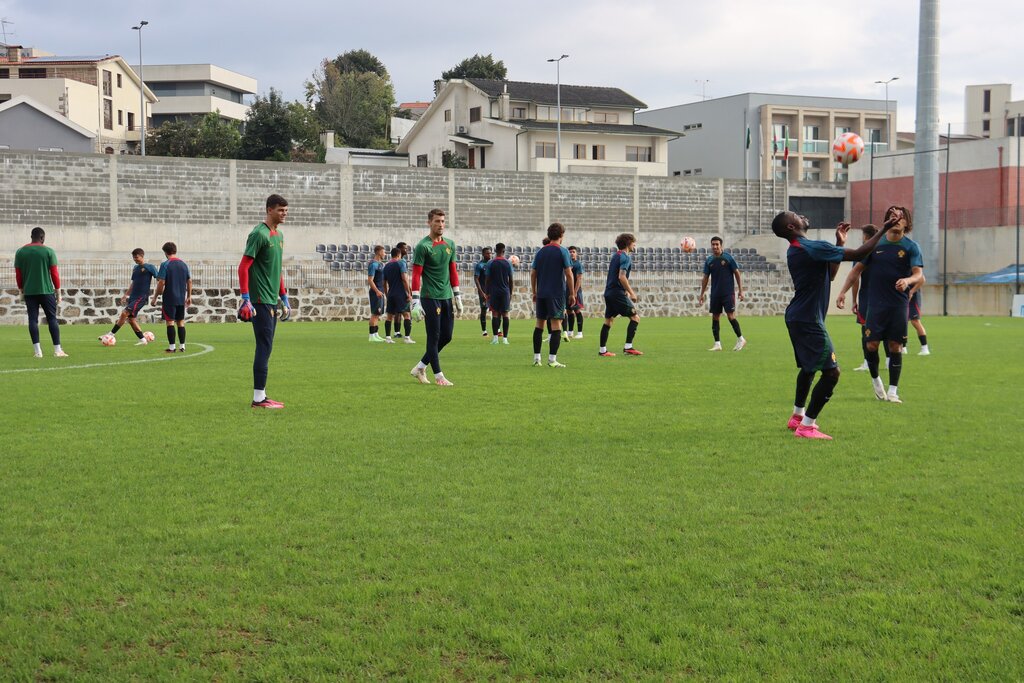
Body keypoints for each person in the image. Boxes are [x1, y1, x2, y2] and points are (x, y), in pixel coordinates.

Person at [772, 211, 886, 440]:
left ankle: (797, 416)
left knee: (808, 368)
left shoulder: (801, 248)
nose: (803, 215)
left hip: (799, 316)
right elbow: (860, 253)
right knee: (832, 372)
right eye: (796, 215)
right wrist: (883, 229)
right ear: (792, 227)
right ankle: (807, 426)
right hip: (808, 320)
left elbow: (831, 275)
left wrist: (838, 243)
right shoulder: (810, 247)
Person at [836, 206, 924, 404]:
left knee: (895, 346)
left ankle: (893, 391)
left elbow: (918, 274)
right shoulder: (875, 245)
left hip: (898, 304)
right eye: (892, 217)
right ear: (886, 221)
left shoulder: (911, 247)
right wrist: (842, 292)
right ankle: (876, 381)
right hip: (875, 304)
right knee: (872, 344)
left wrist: (908, 281)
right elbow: (856, 271)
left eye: (900, 217)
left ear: (907, 223)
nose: (896, 220)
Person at [237, 194, 291, 409]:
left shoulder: (278, 235)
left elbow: (275, 269)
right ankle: (258, 398)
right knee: (264, 346)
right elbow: (243, 266)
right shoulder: (258, 234)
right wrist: (245, 299)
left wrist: (284, 297)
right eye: (280, 210)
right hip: (259, 300)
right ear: (269, 209)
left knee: (267, 348)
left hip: (272, 300)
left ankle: (262, 395)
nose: (284, 214)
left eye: (286, 210)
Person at [409, 208, 462, 386]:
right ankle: (439, 376)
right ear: (429, 223)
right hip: (430, 297)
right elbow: (416, 275)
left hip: (446, 296)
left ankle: (420, 366)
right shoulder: (423, 247)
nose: (441, 225)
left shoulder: (450, 245)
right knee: (434, 337)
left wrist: (457, 296)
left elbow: (452, 271)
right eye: (437, 221)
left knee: (447, 336)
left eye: (443, 221)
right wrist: (415, 302)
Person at [14, 226, 67, 358]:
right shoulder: (49, 251)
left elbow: (18, 274)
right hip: (46, 291)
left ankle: (38, 352)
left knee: (33, 320)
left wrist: (21, 289)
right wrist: (58, 292)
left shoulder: (20, 252)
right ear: (42, 238)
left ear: (31, 236)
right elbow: (54, 273)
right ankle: (57, 350)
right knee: (52, 319)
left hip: (30, 292)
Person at [531, 223, 574, 367]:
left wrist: (534, 291)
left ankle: (537, 359)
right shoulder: (563, 251)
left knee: (539, 325)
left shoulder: (541, 252)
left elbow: (533, 273)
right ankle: (552, 360)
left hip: (542, 293)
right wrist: (572, 293)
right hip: (556, 294)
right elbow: (568, 273)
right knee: (556, 326)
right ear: (561, 235)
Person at [102, 248, 158, 345]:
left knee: (124, 313)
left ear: (142, 256)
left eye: (136, 257)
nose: (135, 259)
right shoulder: (135, 268)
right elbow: (133, 283)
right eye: (133, 257)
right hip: (133, 297)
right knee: (131, 319)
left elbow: (159, 280)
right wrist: (126, 295)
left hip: (141, 297)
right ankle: (143, 340)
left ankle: (111, 334)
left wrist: (156, 295)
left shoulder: (150, 267)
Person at [698, 236, 746, 351]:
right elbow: (705, 278)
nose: (715, 246)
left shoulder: (728, 258)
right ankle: (717, 344)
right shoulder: (709, 260)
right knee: (715, 317)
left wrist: (740, 290)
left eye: (717, 244)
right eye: (713, 244)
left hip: (728, 293)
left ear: (721, 245)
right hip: (715, 293)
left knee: (730, 316)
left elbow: (737, 273)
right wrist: (701, 294)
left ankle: (741, 339)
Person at [599, 233, 643, 357]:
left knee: (608, 321)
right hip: (616, 293)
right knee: (635, 318)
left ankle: (603, 350)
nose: (635, 244)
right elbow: (621, 276)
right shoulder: (625, 257)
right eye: (633, 242)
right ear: (628, 243)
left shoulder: (615, 256)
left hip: (609, 292)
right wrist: (631, 292)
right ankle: (628, 347)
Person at [151, 241, 192, 354]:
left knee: (170, 322)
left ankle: (172, 347)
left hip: (170, 298)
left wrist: (155, 297)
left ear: (165, 252)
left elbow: (161, 283)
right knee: (181, 322)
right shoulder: (184, 264)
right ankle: (182, 346)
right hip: (181, 298)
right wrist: (189, 296)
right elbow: (189, 281)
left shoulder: (165, 264)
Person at [848, 224, 879, 372]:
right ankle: (888, 361)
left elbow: (855, 278)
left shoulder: (862, 252)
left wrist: (854, 300)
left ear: (866, 236)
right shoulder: (884, 249)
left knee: (865, 330)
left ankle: (867, 362)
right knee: (885, 329)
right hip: (885, 297)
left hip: (867, 297)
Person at [382, 246, 415, 344]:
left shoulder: (386, 266)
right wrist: (409, 293)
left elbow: (384, 282)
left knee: (389, 316)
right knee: (407, 315)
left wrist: (387, 294)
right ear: (398, 254)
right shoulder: (400, 263)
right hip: (401, 293)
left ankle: (388, 338)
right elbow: (404, 279)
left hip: (391, 293)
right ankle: (407, 338)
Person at [485, 242, 514, 344]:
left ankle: (495, 338)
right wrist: (510, 293)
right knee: (505, 314)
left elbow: (487, 280)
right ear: (503, 251)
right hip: (505, 291)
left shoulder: (490, 263)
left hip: (494, 292)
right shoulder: (508, 263)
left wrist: (487, 293)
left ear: (495, 250)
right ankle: (505, 339)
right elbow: (511, 280)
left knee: (495, 314)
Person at [563, 245, 585, 341]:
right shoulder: (567, 264)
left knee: (577, 310)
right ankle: (570, 331)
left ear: (576, 253)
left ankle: (580, 333)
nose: (571, 253)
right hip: (566, 290)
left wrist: (575, 292)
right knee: (568, 311)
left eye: (573, 252)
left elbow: (579, 278)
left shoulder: (578, 264)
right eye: (570, 252)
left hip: (575, 291)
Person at [367, 245, 386, 342]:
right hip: (376, 292)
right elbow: (370, 280)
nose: (385, 254)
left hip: (380, 291)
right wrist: (377, 291)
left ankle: (376, 334)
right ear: (378, 252)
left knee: (378, 314)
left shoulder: (381, 264)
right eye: (383, 252)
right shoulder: (373, 264)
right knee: (374, 314)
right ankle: (371, 336)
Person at [474, 246, 492, 337]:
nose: (489, 254)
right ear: (483, 254)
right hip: (483, 292)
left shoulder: (493, 264)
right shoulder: (479, 265)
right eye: (487, 253)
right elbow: (476, 279)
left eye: (490, 253)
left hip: (492, 291)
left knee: (496, 310)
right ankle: (484, 331)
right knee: (484, 310)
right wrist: (481, 292)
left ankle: (498, 330)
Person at [907, 287, 931, 355]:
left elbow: (920, 280)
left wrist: (911, 291)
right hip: (904, 297)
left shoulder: (915, 276)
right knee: (902, 321)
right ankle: (903, 347)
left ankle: (925, 348)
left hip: (913, 298)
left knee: (915, 321)